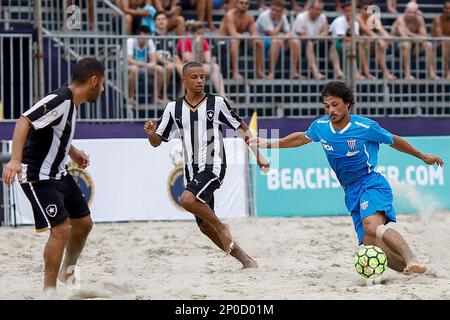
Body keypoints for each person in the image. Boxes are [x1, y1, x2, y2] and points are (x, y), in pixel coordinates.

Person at [249, 80, 444, 275]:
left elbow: (394, 140)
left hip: (370, 182)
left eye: (335, 104)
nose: (331, 110)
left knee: (372, 225)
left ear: (347, 103)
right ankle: (414, 270)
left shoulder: (365, 126)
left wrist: (422, 155)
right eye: (327, 106)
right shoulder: (321, 126)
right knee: (368, 242)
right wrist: (268, 143)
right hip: (350, 191)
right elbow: (300, 138)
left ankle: (412, 258)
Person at [144, 62, 270, 268]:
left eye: (202, 76)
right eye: (194, 77)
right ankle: (247, 261)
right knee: (204, 227)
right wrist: (151, 134)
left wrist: (258, 154)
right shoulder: (172, 108)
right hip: (191, 171)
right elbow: (158, 141)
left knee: (186, 199)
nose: (200, 81)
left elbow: (242, 127)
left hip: (214, 165)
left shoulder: (217, 103)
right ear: (184, 80)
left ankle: (222, 226)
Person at [1, 58, 105, 293]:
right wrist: (15, 160)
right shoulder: (60, 99)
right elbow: (24, 121)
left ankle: (66, 274)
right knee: (61, 231)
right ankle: (49, 292)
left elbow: (55, 133)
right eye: (103, 83)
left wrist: (74, 152)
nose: (103, 89)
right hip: (38, 175)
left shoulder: (72, 104)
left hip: (59, 173)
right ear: (94, 80)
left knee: (84, 224)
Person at [391, 1, 440, 80]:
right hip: (398, 47)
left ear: (417, 13)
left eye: (414, 13)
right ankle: (407, 74)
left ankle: (431, 73)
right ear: (405, 11)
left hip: (414, 47)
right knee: (406, 44)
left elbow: (424, 37)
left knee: (429, 45)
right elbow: (404, 37)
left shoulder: (419, 20)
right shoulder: (400, 19)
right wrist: (417, 37)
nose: (411, 15)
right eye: (410, 12)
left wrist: (410, 34)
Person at [177, 20, 226, 97]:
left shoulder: (203, 41)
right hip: (184, 66)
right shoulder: (184, 40)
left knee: (215, 67)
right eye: (198, 34)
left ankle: (223, 97)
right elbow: (189, 60)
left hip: (198, 65)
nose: (200, 36)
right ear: (191, 33)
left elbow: (208, 59)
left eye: (202, 34)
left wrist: (211, 59)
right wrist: (196, 46)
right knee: (190, 69)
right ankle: (181, 98)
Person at [218, 0, 264, 81]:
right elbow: (233, 34)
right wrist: (250, 37)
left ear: (249, 5)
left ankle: (258, 70)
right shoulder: (230, 15)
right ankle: (235, 73)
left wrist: (255, 37)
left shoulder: (249, 17)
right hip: (222, 43)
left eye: (246, 3)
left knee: (258, 42)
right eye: (241, 2)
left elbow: (254, 33)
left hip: (239, 41)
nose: (244, 5)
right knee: (235, 40)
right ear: (236, 4)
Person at [255, 0, 301, 79]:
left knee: (295, 42)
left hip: (276, 45)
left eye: (277, 11)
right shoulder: (264, 15)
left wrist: (282, 39)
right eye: (273, 9)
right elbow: (272, 33)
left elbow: (288, 33)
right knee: (276, 41)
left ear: (282, 11)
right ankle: (271, 73)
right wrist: (280, 22)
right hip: (261, 46)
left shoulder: (282, 16)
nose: (274, 12)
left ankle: (293, 72)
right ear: (270, 7)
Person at [127, 25, 167, 107]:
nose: (145, 37)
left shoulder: (149, 41)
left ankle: (155, 97)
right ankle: (131, 97)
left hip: (143, 66)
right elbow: (129, 61)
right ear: (138, 34)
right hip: (128, 66)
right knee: (134, 69)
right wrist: (147, 64)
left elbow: (153, 61)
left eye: (147, 34)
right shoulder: (130, 41)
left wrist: (148, 64)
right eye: (143, 34)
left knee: (160, 69)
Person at [357, 0, 396, 80]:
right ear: (360, 10)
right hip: (356, 48)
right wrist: (379, 40)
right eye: (366, 9)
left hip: (369, 48)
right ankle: (367, 73)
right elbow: (367, 31)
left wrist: (387, 40)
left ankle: (385, 72)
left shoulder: (374, 19)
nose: (368, 11)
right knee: (363, 42)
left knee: (379, 45)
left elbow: (383, 31)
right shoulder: (357, 18)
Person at [292, 0, 328, 80]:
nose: (319, 12)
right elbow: (302, 36)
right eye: (317, 9)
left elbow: (325, 29)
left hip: (315, 43)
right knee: (309, 43)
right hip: (299, 45)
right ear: (310, 8)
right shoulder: (301, 17)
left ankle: (338, 71)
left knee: (331, 44)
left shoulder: (322, 16)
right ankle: (315, 72)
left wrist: (324, 34)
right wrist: (320, 36)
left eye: (320, 9)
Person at [329, 1, 363, 80]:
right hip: (335, 46)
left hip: (349, 45)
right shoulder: (339, 20)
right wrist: (353, 39)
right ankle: (352, 72)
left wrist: (351, 27)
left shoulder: (355, 23)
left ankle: (362, 72)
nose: (350, 13)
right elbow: (342, 37)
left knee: (361, 46)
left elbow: (356, 38)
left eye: (352, 11)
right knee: (349, 45)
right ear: (343, 11)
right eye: (348, 11)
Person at [153, 11, 184, 97]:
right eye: (158, 19)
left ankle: (181, 96)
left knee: (184, 68)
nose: (161, 21)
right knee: (169, 66)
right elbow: (153, 55)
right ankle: (163, 95)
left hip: (169, 65)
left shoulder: (170, 38)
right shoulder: (151, 37)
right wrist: (167, 62)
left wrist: (179, 65)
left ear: (167, 21)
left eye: (163, 19)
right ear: (154, 22)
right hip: (156, 65)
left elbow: (175, 55)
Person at [431, 1, 450, 79]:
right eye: (447, 8)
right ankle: (446, 72)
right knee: (446, 42)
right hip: (436, 45)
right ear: (443, 9)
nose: (449, 10)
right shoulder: (438, 19)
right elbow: (439, 37)